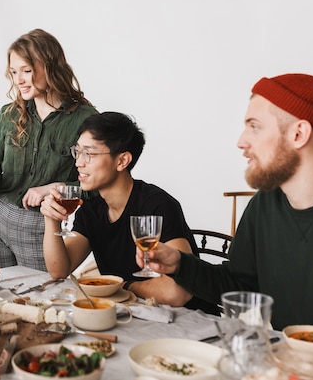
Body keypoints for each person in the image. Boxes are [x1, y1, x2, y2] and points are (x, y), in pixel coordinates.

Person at [140, 73, 313, 329]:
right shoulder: (266, 204)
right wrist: (180, 264)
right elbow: (238, 283)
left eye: (255, 126)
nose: (241, 142)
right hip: (288, 362)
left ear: (298, 133)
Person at [40, 112, 218, 313]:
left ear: (122, 161)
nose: (79, 162)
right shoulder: (92, 209)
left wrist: (122, 286)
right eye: (77, 152)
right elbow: (59, 270)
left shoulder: (157, 205)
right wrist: (51, 219)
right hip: (135, 314)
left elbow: (176, 293)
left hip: (192, 320)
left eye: (88, 153)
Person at [0, 28, 98, 271]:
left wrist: (55, 188)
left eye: (27, 71)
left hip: (40, 225)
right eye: (14, 72)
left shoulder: (86, 120)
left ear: (50, 67)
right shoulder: (8, 114)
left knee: (42, 296)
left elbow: (99, 187)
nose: (18, 80)